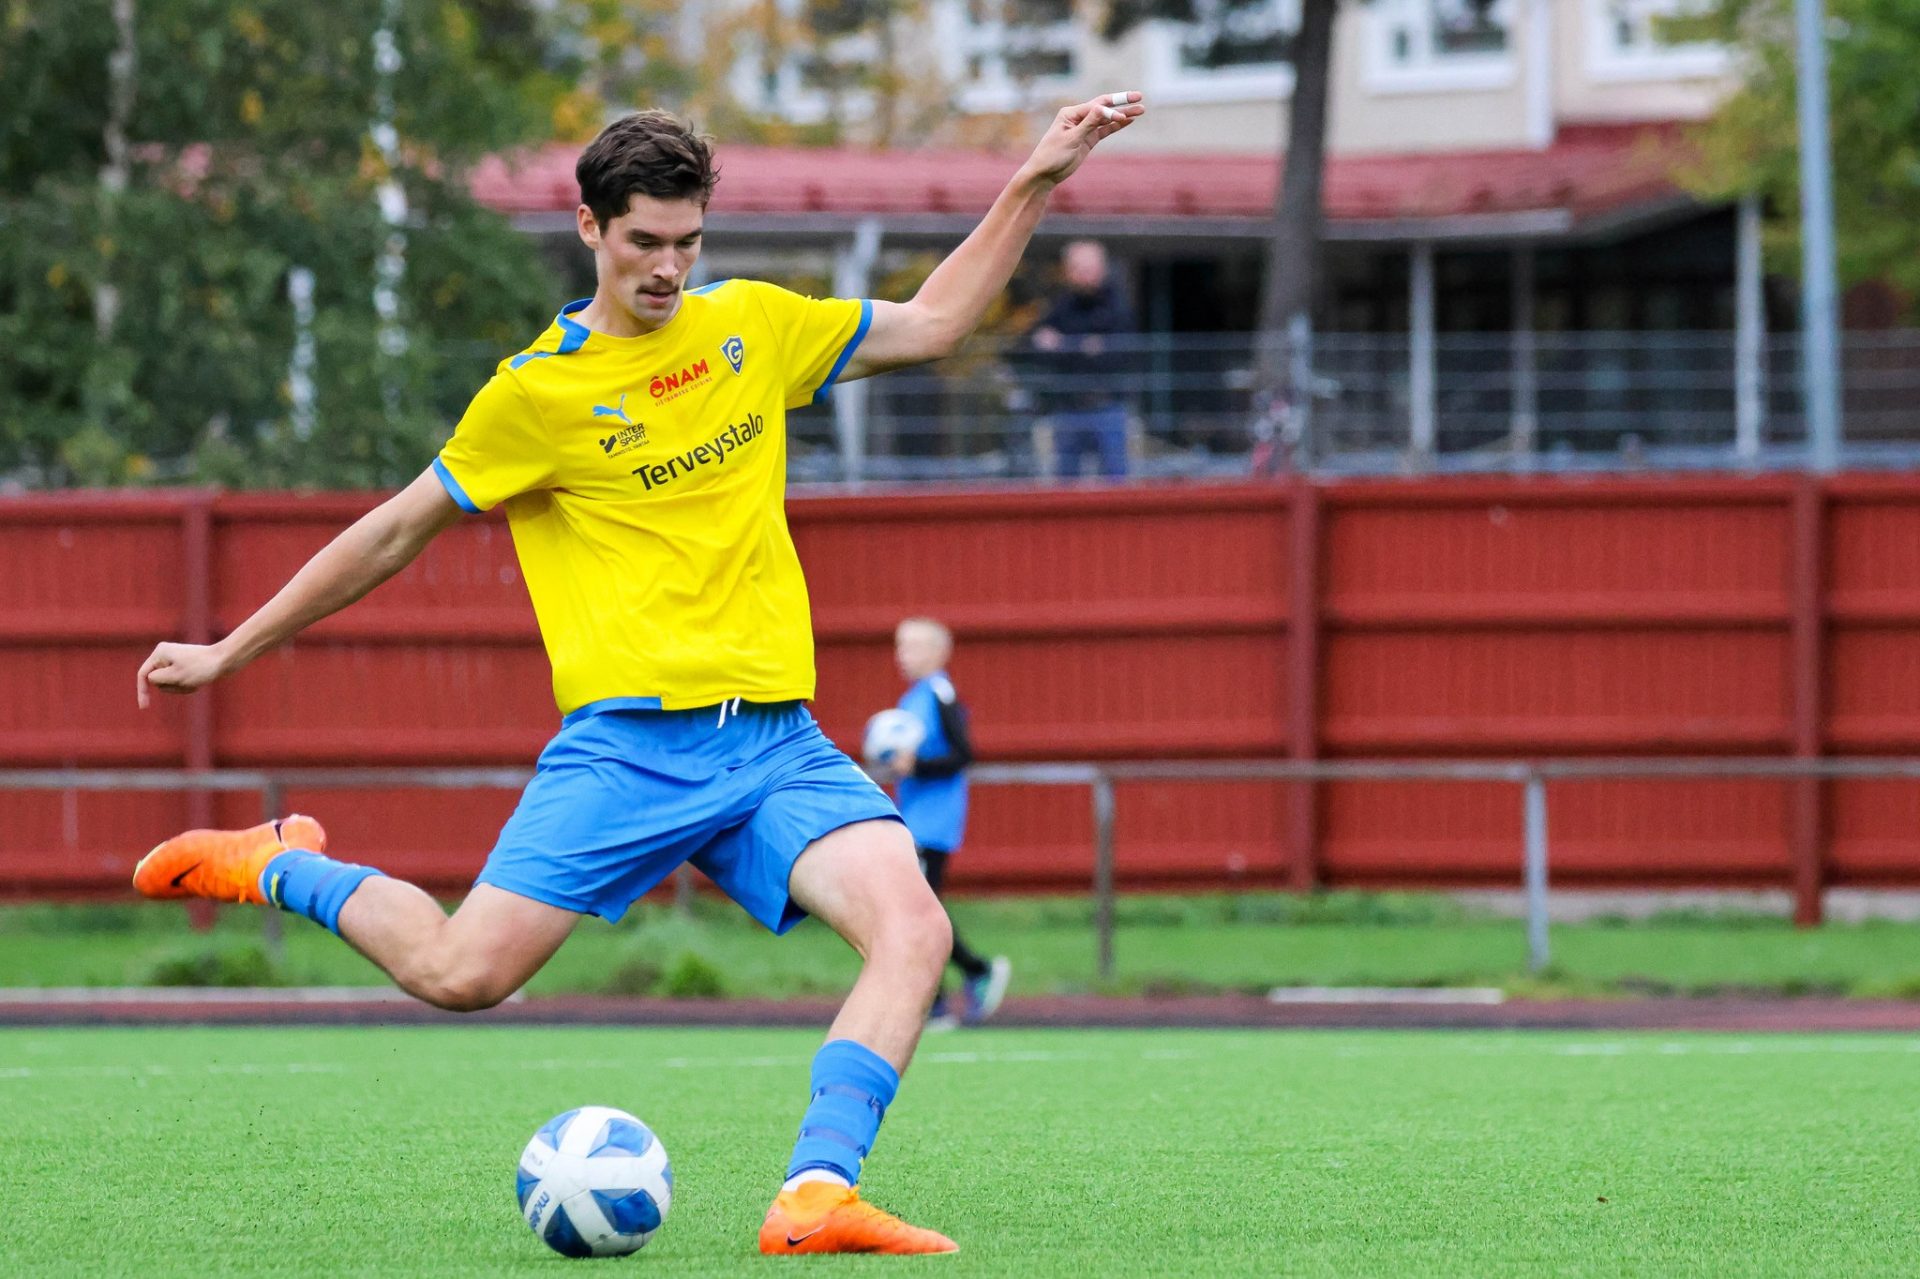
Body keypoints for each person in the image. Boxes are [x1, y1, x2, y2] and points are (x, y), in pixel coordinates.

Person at [128, 94, 1147, 1256]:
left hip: (775, 746)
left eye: (688, 241)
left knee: (914, 928)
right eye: (644, 242)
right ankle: (285, 866)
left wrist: (1037, 176)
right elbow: (392, 532)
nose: (668, 267)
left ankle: (816, 1192)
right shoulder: (537, 394)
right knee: (462, 974)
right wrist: (229, 647)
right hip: (627, 750)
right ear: (590, 228)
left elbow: (933, 322)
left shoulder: (752, 330)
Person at [883, 618, 1009, 1028]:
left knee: (919, 909)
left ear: (939, 653)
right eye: (901, 647)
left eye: (914, 647)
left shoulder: (939, 692)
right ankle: (939, 997)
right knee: (914, 907)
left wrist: (914, 764)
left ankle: (970, 975)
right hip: (913, 817)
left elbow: (962, 753)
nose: (904, 655)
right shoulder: (913, 697)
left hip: (933, 821)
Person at [1028, 239, 1135, 479]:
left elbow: (1118, 356)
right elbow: (1037, 345)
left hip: (1108, 406)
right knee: (1065, 485)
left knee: (1116, 483)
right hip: (1068, 407)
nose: (1085, 275)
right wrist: (1084, 346)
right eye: (1078, 269)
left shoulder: (1118, 306)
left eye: (1090, 268)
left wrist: (1063, 345)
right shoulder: (1060, 305)